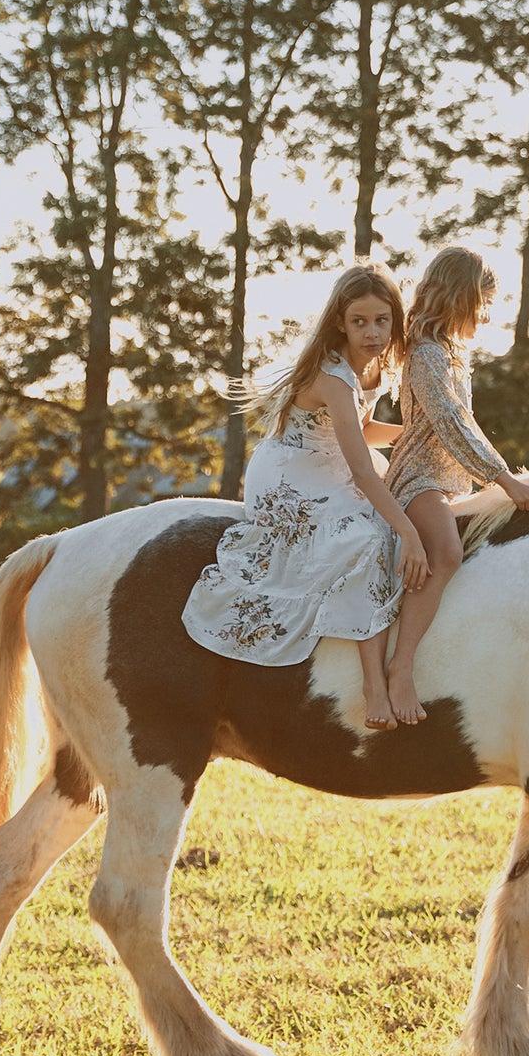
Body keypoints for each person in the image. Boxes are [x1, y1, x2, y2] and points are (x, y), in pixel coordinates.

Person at [182, 262, 431, 730]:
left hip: (333, 460)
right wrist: (409, 532)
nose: (372, 333)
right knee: (370, 538)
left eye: (381, 321)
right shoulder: (333, 375)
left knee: (390, 520)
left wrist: (418, 437)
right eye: (359, 322)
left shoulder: (375, 366)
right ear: (340, 322)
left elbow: (361, 431)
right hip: (292, 474)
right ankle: (373, 684)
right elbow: (362, 468)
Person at [381, 246, 529, 724]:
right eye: (483, 303)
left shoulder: (452, 354)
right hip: (419, 480)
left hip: (450, 483)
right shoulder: (427, 354)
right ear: (460, 298)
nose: (487, 315)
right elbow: (453, 423)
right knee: (447, 553)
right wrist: (505, 479)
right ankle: (401, 667)